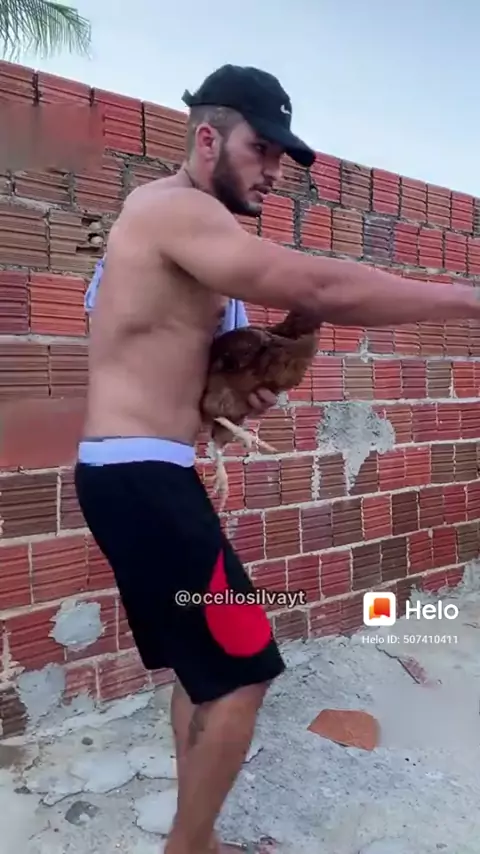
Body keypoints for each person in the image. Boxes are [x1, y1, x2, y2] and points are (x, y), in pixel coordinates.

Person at [74, 64, 480, 854]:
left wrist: (227, 401)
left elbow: (162, 362)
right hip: (142, 482)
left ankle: (197, 839)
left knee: (204, 672)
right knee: (244, 672)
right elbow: (318, 285)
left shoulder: (171, 229)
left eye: (280, 158)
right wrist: (467, 299)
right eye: (259, 150)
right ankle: (189, 847)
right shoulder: (177, 211)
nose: (271, 171)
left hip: (139, 475)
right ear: (207, 138)